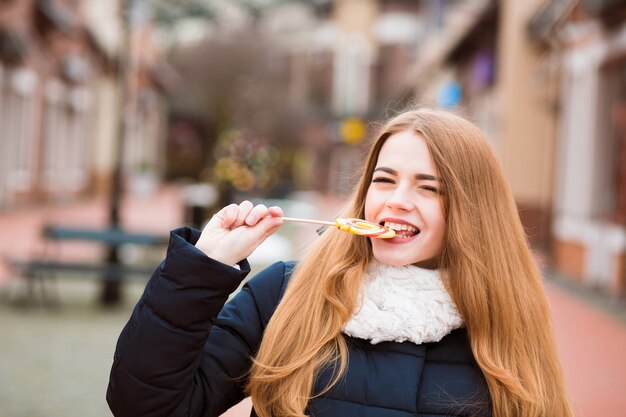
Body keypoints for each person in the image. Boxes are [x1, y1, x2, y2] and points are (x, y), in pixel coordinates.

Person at [107, 109, 573, 417]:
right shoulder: (287, 293)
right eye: (385, 180)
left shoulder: (505, 320)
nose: (398, 201)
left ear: (474, 210)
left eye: (429, 187)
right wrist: (203, 267)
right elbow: (146, 405)